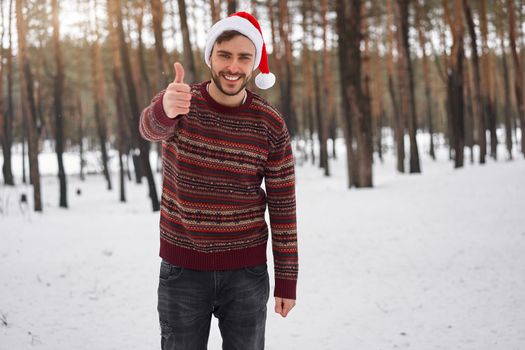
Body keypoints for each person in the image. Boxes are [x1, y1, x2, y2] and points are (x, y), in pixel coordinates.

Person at [139, 11, 298, 350]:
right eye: (225, 55)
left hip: (246, 273)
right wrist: (164, 108)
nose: (233, 66)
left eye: (244, 57)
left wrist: (287, 279)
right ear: (210, 55)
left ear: (255, 63)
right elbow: (150, 128)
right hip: (183, 269)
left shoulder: (269, 123)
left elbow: (283, 204)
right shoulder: (182, 102)